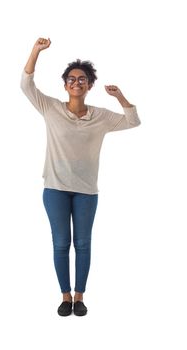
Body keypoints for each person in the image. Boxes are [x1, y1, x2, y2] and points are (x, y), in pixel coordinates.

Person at [20, 37, 141, 317]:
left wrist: (120, 97)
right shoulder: (51, 108)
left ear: (89, 86)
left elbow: (133, 121)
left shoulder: (101, 117)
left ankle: (80, 297)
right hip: (55, 189)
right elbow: (26, 85)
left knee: (83, 243)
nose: (77, 82)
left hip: (87, 191)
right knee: (61, 243)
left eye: (82, 79)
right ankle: (65, 297)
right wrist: (36, 50)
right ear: (65, 85)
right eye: (72, 79)